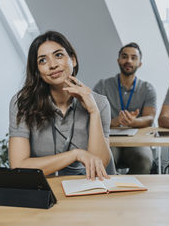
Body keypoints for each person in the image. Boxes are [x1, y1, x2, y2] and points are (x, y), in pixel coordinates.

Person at [9, 31, 112, 180]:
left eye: (58, 55)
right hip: (46, 188)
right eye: (42, 61)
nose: (53, 65)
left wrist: (93, 112)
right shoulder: (23, 103)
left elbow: (99, 162)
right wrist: (75, 155)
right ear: (37, 71)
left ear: (73, 59)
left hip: (89, 186)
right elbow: (19, 166)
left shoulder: (100, 103)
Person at [94, 42, 156, 174]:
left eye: (134, 58)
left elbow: (149, 118)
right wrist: (115, 122)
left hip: (136, 142)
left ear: (140, 63)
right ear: (118, 60)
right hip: (109, 141)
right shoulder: (102, 85)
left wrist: (133, 122)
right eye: (124, 56)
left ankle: (130, 191)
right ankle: (111, 192)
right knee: (103, 162)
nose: (128, 60)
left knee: (144, 160)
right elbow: (92, 117)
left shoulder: (147, 88)